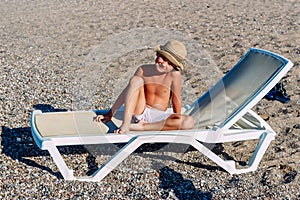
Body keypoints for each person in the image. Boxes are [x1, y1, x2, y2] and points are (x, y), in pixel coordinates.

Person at [96, 39, 195, 134]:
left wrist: (177, 118)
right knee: (136, 80)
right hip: (139, 111)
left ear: (174, 66)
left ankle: (143, 127)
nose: (164, 64)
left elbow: (176, 99)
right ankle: (126, 124)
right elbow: (127, 92)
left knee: (189, 121)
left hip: (156, 117)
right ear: (157, 55)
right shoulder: (143, 70)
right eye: (163, 59)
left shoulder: (174, 75)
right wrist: (110, 113)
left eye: (170, 63)